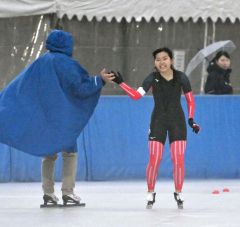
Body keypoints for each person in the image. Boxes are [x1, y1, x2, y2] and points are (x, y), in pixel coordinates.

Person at [0, 30, 115, 206]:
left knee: (49, 153)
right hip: (64, 117)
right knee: (70, 153)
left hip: (46, 118)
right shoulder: (66, 63)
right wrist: (99, 80)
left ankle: (48, 194)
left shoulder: (40, 62)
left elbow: (20, 86)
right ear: (67, 45)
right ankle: (68, 193)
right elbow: (80, 87)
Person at [112, 47, 200, 209]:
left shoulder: (181, 78)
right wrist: (121, 83)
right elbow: (136, 96)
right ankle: (151, 192)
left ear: (171, 60)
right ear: (155, 63)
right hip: (158, 121)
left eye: (165, 58)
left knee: (178, 160)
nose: (162, 62)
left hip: (177, 122)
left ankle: (178, 192)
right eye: (158, 60)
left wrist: (191, 119)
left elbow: (190, 100)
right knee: (155, 159)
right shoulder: (152, 78)